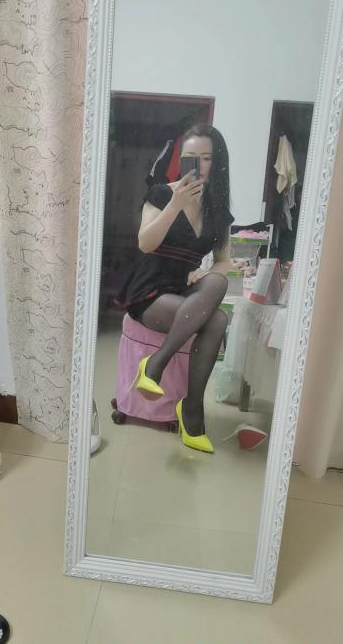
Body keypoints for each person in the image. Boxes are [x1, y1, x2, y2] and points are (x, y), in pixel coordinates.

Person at [116, 124, 234, 453]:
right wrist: (175, 205)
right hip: (150, 292)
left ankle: (157, 366)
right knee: (218, 321)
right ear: (180, 160)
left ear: (217, 162)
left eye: (206, 158)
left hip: (186, 292)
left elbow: (225, 261)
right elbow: (145, 243)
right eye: (191, 157)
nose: (198, 165)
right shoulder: (160, 194)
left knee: (218, 282)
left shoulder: (218, 211)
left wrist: (205, 272)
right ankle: (191, 411)